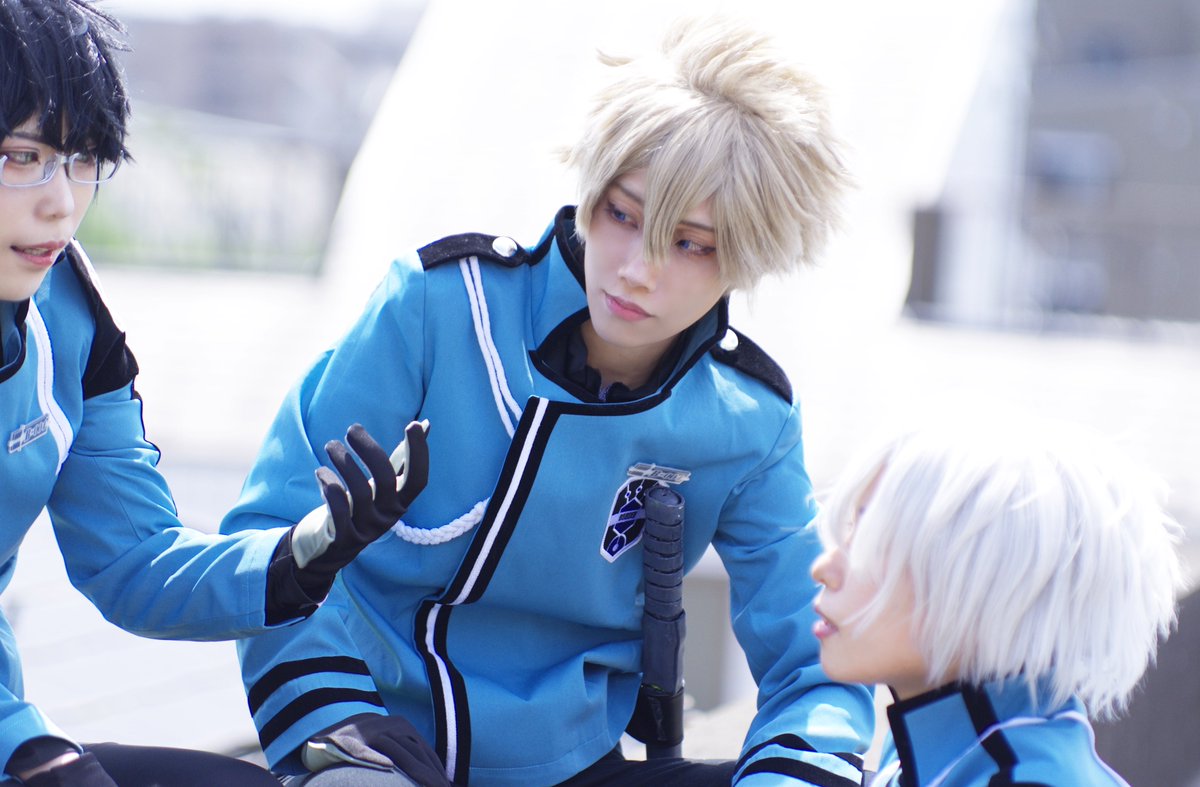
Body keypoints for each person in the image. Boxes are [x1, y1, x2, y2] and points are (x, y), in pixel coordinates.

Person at [222, 14, 875, 787]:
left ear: (750, 253)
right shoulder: (438, 306)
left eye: (690, 243)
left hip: (579, 769)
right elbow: (273, 533)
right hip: (374, 750)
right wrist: (333, 723)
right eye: (623, 214)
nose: (637, 268)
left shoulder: (748, 417)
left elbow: (820, 659)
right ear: (590, 191)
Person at [0, 1, 429, 783]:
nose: (62, 201)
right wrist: (26, 746)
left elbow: (132, 555)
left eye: (83, 156)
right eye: (24, 156)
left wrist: (300, 555)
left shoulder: (66, 313)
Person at [810, 413, 1183, 786]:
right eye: (850, 531)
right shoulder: (932, 752)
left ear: (988, 582)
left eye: (872, 545)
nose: (823, 568)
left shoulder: (1021, 778)